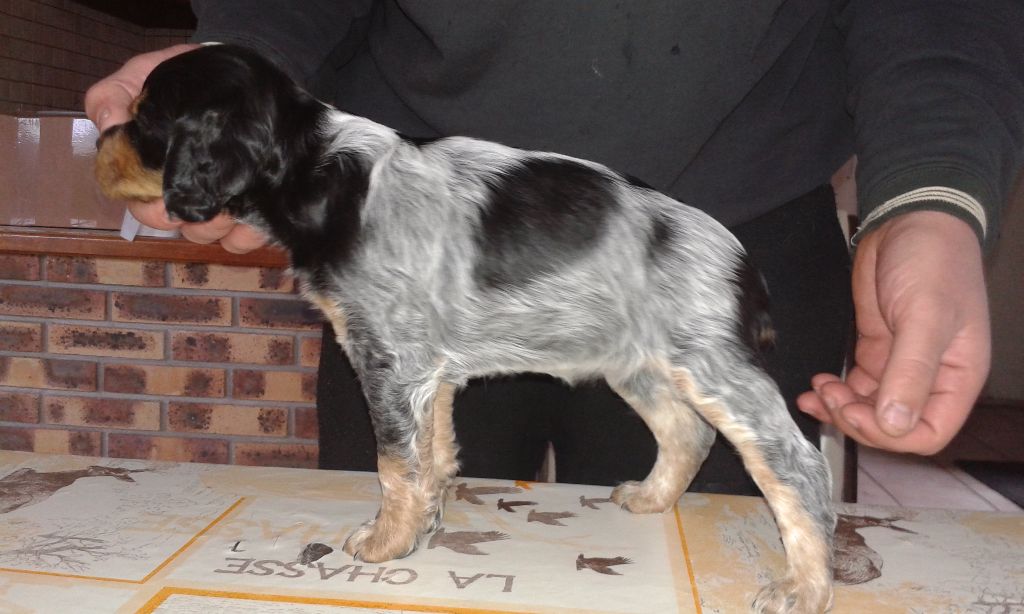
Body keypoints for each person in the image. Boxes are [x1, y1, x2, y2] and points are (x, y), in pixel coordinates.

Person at [86, 1, 1023, 493]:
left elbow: (939, 11)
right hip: (409, 247)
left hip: (723, 236)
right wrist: (242, 69)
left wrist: (930, 193)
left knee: (712, 576)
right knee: (402, 579)